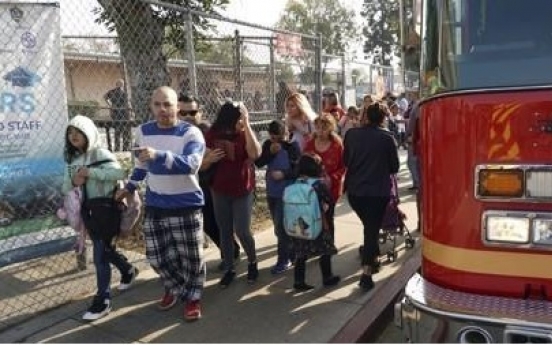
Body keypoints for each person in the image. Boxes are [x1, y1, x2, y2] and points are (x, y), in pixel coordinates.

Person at [116, 86, 206, 321]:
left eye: (168, 104)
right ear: (151, 107)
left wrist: (159, 155)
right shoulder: (143, 131)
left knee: (191, 257)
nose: (163, 110)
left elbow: (192, 164)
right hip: (156, 204)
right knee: (157, 256)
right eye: (158, 105)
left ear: (177, 107)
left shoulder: (191, 133)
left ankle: (192, 297)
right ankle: (176, 288)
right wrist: (129, 188)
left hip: (186, 204)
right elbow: (141, 166)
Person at [62, 115, 139, 321]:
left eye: (78, 131)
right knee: (104, 249)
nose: (74, 136)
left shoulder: (101, 153)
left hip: (107, 210)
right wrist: (74, 180)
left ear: (89, 133)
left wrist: (91, 173)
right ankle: (128, 269)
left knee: (99, 256)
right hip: (88, 213)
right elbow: (65, 187)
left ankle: (103, 300)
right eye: (70, 132)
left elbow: (119, 173)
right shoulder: (73, 161)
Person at [177, 94, 241, 270]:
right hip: (184, 185)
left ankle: (230, 251)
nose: (188, 116)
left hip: (209, 185)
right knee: (205, 224)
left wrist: (206, 162)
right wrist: (204, 162)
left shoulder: (206, 131)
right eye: (183, 112)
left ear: (200, 112)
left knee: (214, 222)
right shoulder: (174, 135)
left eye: (193, 112)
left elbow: (220, 156)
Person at [343, 103, 400, 292]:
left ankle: (372, 255)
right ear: (383, 118)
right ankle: (367, 272)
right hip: (377, 192)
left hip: (355, 192)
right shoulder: (387, 138)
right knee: (371, 229)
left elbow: (346, 160)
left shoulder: (351, 135)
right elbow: (394, 167)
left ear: (365, 116)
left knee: (370, 228)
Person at [205, 101, 262, 288]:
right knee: (225, 230)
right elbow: (203, 159)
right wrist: (210, 157)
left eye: (242, 118)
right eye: (238, 119)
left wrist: (247, 125)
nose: (240, 122)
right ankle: (229, 268)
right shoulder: (214, 132)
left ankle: (252, 262)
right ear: (228, 119)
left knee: (243, 230)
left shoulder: (244, 132)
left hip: (242, 188)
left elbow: (255, 154)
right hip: (219, 188)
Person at [255, 119, 299, 275]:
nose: (276, 141)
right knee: (278, 226)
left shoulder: (292, 147)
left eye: (279, 137)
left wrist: (284, 174)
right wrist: (269, 153)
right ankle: (292, 250)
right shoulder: (268, 145)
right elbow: (258, 162)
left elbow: (298, 169)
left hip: (286, 193)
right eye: (272, 137)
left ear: (285, 134)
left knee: (281, 227)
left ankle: (283, 259)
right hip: (271, 192)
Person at [290, 153, 340, 291]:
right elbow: (329, 200)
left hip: (299, 225)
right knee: (325, 250)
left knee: (301, 253)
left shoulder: (296, 183)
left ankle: (298, 281)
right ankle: (327, 277)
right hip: (317, 224)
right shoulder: (318, 185)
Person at [103, 79, 130, 152]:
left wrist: (110, 105)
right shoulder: (122, 93)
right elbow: (127, 103)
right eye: (121, 84)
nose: (122, 85)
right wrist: (110, 105)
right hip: (121, 113)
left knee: (118, 131)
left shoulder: (113, 92)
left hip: (116, 113)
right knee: (123, 131)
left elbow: (105, 97)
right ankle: (124, 148)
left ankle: (118, 148)